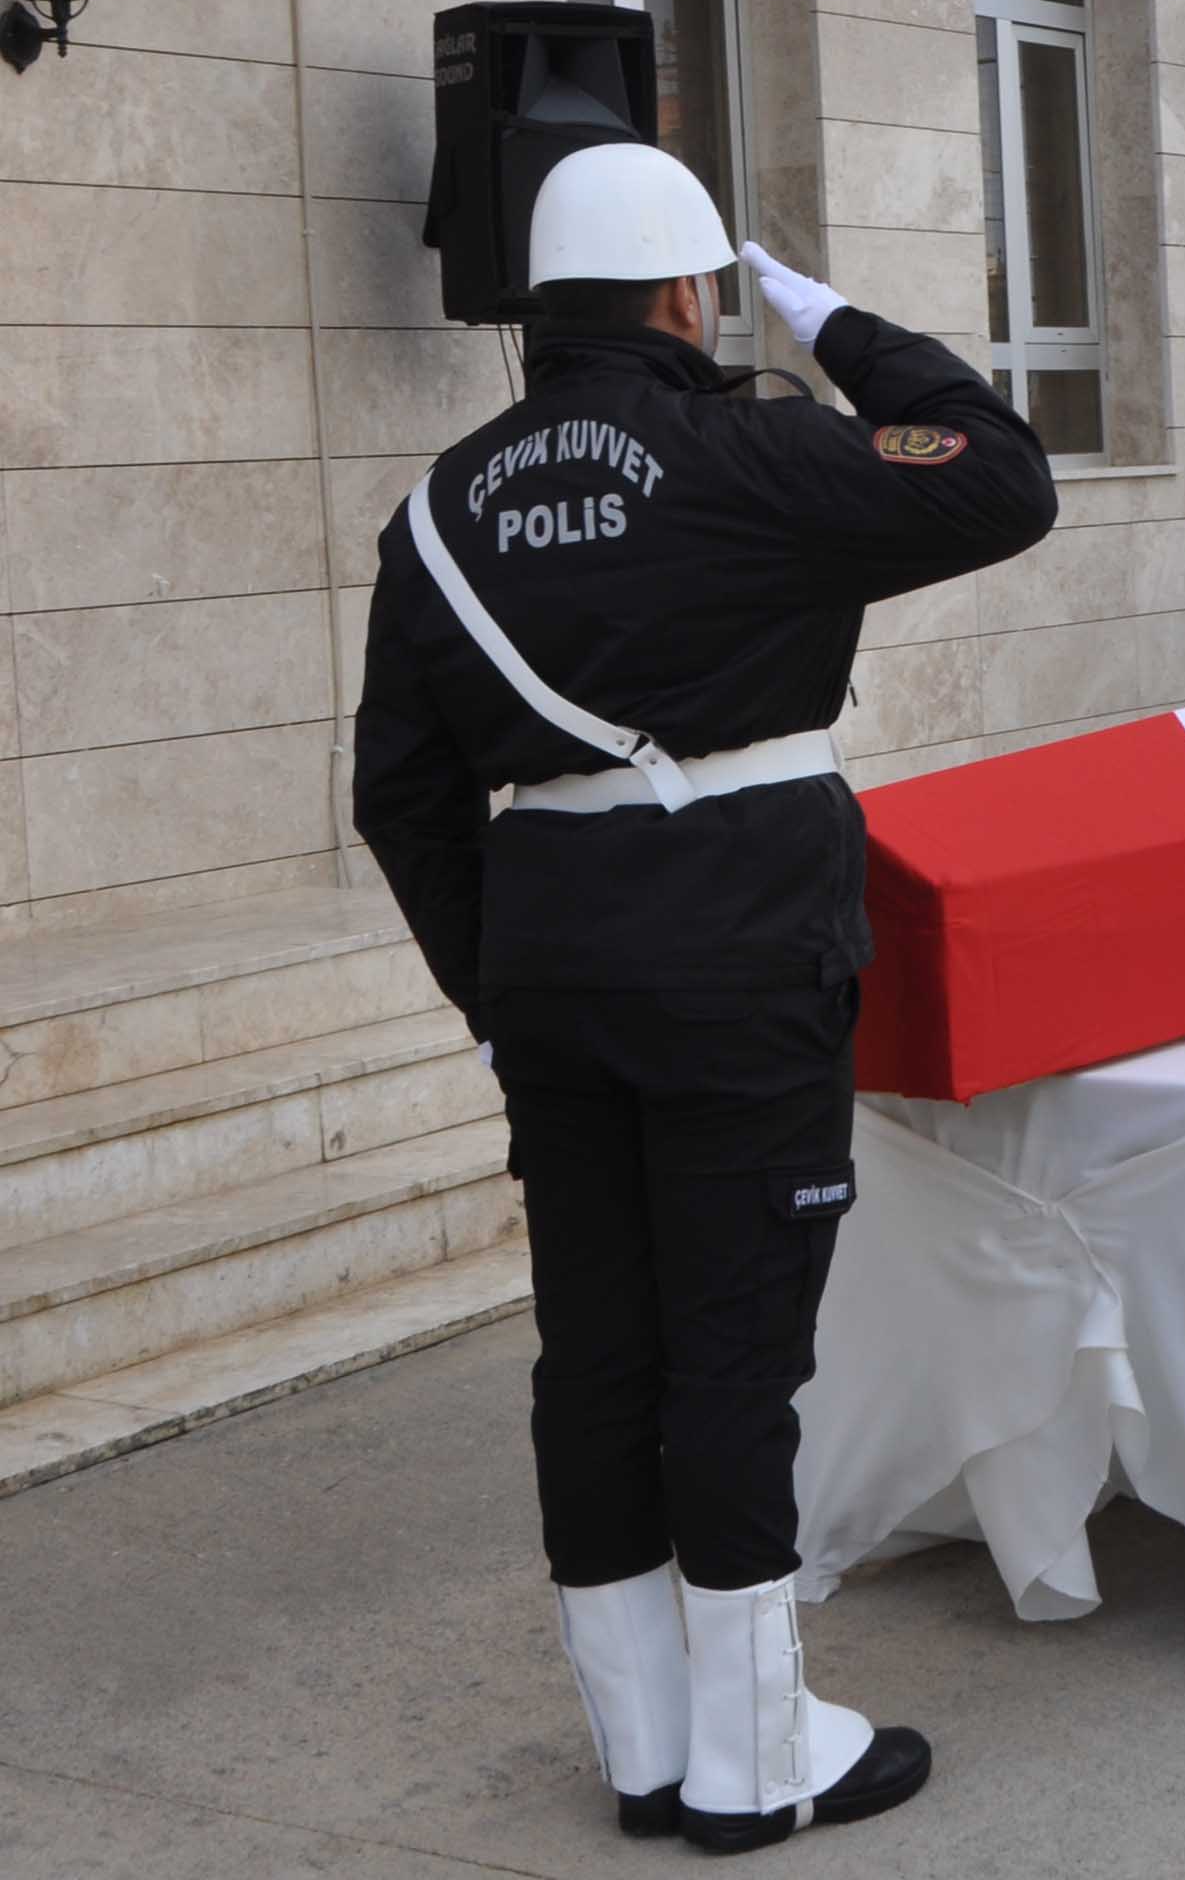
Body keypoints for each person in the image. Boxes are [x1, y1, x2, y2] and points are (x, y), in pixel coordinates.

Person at [352, 146, 1060, 1849]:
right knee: (735, 1348)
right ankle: (756, 1764)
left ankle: (645, 1745)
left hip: (553, 964)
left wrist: (495, 995)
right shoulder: (752, 451)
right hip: (738, 943)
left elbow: (403, 796)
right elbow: (1003, 478)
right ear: (688, 295)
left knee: (599, 1352)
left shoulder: (438, 513)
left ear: (538, 308)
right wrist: (841, 327)